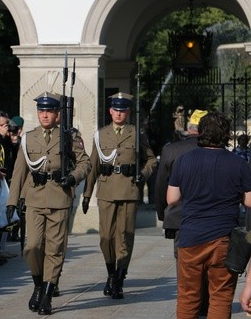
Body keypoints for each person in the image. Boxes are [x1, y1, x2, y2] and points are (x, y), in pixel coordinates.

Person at [7, 91, 91, 315]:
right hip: (34, 197)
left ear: (57, 114)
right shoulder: (29, 138)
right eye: (41, 111)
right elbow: (19, 172)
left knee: (55, 248)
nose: (44, 115)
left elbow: (85, 163)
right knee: (32, 246)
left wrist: (73, 177)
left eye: (49, 111)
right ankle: (37, 283)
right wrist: (12, 201)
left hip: (59, 197)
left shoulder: (69, 137)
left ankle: (46, 293)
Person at [167, 111, 251, 318]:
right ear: (226, 135)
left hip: (191, 238)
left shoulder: (184, 161)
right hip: (223, 238)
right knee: (221, 296)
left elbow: (172, 198)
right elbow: (249, 200)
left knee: (188, 296)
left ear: (201, 132)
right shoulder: (238, 163)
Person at [82, 92, 156, 300]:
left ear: (128, 112)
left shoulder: (136, 133)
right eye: (116, 110)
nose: (119, 113)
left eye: (123, 110)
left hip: (128, 190)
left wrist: (142, 175)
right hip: (106, 191)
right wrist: (87, 194)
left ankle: (119, 278)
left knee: (125, 237)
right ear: (110, 111)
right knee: (106, 237)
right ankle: (110, 272)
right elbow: (93, 165)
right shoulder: (101, 134)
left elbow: (151, 160)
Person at [154, 108, 210, 315]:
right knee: (209, 261)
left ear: (189, 128)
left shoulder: (171, 150)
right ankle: (205, 303)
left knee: (184, 262)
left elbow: (161, 186)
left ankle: (189, 303)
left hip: (180, 216)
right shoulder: (216, 149)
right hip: (210, 216)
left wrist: (163, 214)